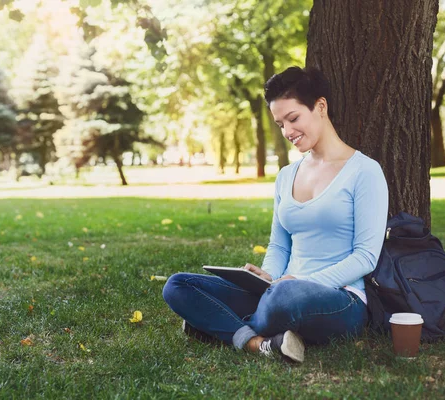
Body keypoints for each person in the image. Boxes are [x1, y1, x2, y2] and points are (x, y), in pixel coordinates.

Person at [162, 66, 389, 363]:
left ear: (320, 107)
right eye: (280, 124)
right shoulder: (286, 175)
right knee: (178, 285)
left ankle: (215, 326)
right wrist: (268, 276)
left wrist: (299, 282)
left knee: (284, 298)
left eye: (293, 119)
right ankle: (258, 343)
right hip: (277, 291)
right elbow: (279, 245)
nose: (287, 132)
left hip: (339, 299)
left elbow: (365, 257)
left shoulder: (365, 171)